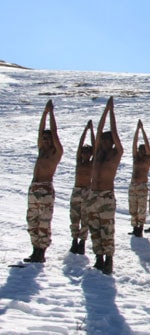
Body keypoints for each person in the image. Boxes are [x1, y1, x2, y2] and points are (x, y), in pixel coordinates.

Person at [24, 100, 63, 263]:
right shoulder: (41, 150)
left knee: (44, 221)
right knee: (32, 220)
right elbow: (40, 131)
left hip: (45, 189)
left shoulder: (55, 153)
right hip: (34, 188)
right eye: (44, 138)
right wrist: (44, 112)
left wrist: (51, 114)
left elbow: (54, 132)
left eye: (48, 138)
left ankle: (42, 251)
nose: (46, 140)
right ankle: (35, 249)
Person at [87, 97, 123, 274]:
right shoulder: (98, 154)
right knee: (94, 227)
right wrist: (105, 111)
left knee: (107, 229)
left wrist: (112, 113)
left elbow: (113, 133)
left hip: (107, 195)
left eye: (106, 140)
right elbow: (100, 130)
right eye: (102, 140)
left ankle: (108, 259)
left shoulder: (115, 155)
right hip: (93, 194)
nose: (103, 142)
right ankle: (98, 257)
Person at [69, 120, 94, 255]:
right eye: (83, 152)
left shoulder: (92, 163)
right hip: (77, 190)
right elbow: (79, 146)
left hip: (87, 191)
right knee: (74, 217)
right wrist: (85, 130)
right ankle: (74, 240)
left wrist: (92, 132)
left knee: (85, 218)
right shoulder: (79, 161)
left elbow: (95, 147)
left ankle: (82, 242)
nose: (85, 154)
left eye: (87, 152)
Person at [127, 120, 150, 238]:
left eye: (143, 150)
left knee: (141, 208)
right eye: (140, 150)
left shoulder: (148, 160)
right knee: (133, 207)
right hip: (133, 185)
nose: (141, 151)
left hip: (142, 185)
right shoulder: (136, 158)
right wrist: (137, 130)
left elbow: (148, 146)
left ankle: (140, 227)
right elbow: (134, 143)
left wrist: (143, 130)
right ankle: (134, 226)